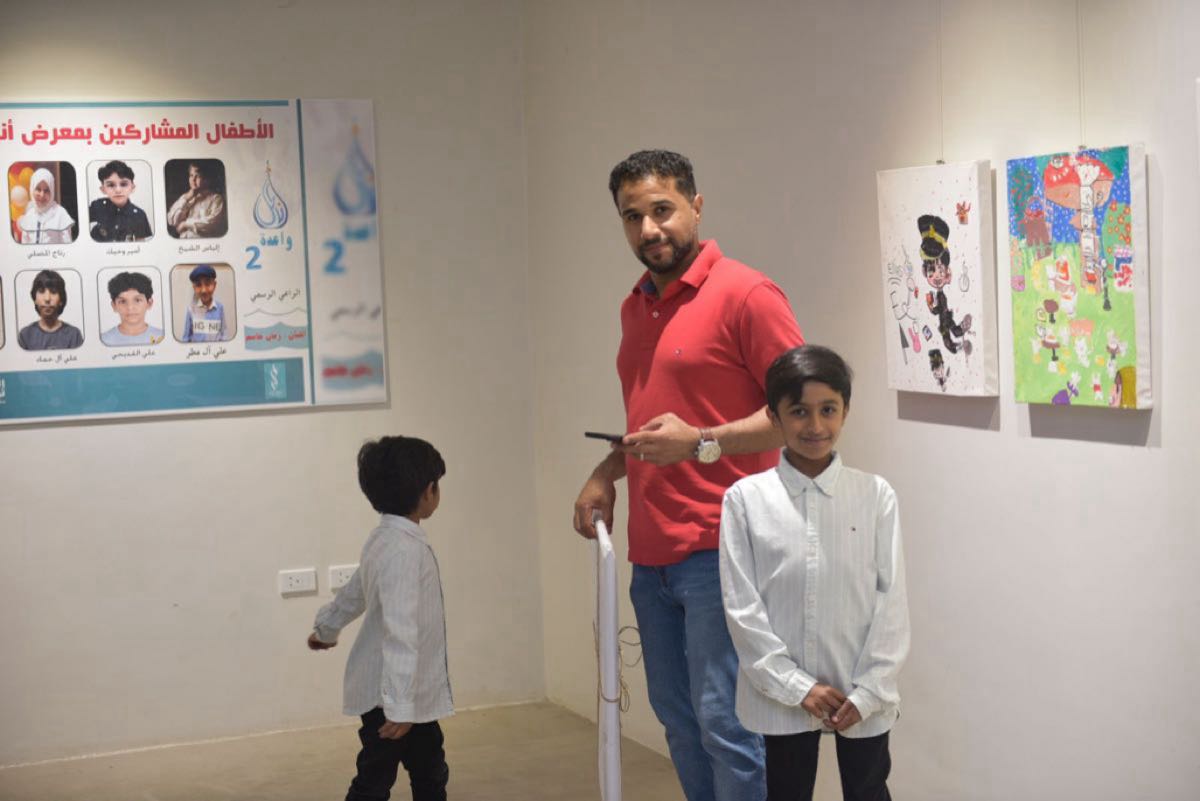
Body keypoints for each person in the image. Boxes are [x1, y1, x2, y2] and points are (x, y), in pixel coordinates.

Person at [572, 150, 804, 801]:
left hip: (725, 549)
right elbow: (651, 427)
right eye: (632, 216)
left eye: (662, 210)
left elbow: (801, 416)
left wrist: (701, 442)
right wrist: (607, 471)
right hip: (651, 555)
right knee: (678, 721)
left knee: (728, 725)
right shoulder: (635, 306)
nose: (649, 229)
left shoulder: (748, 295)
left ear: (696, 207)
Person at [719, 345, 909, 801]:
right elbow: (742, 608)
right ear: (774, 416)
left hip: (862, 688)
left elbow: (892, 601)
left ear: (846, 410)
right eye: (799, 411)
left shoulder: (875, 495)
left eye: (828, 409)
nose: (816, 426)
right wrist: (795, 686)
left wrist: (869, 690)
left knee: (868, 790)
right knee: (786, 791)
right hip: (779, 693)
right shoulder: (745, 500)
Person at [308, 436, 453, 801]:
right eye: (437, 484)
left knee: (430, 770)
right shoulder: (404, 550)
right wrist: (401, 707)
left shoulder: (384, 539)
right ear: (427, 491)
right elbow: (400, 632)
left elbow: (356, 590)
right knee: (376, 779)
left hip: (409, 695)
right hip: (391, 700)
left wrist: (327, 628)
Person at [18, 269, 83, 350]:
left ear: (61, 300)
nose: (47, 298)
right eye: (41, 291)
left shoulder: (74, 335)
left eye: (53, 292)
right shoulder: (25, 335)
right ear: (35, 299)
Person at [89, 160, 153, 242]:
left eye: (123, 184)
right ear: (103, 189)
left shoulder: (139, 215)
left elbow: (140, 243)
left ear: (132, 188)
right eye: (111, 185)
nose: (118, 190)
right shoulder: (97, 206)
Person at [101, 271, 164, 346]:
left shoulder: (162, 337)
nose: (130, 308)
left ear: (149, 303)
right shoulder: (104, 340)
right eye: (123, 301)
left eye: (137, 300)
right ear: (114, 306)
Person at [166, 161, 227, 238]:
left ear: (207, 180)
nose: (193, 179)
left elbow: (211, 224)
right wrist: (186, 199)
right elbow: (171, 220)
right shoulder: (186, 197)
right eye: (191, 175)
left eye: (198, 176)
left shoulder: (216, 199)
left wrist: (185, 224)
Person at [17, 167, 76, 244]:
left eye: (46, 190)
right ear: (32, 189)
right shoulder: (29, 215)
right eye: (38, 189)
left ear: (52, 191)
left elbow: (67, 245)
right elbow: (25, 245)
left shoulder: (61, 214)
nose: (42, 195)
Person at [180, 264, 227, 342]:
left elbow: (224, 335)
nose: (204, 290)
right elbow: (186, 338)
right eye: (198, 285)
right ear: (194, 288)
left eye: (208, 284)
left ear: (214, 285)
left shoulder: (220, 308)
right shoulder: (191, 309)